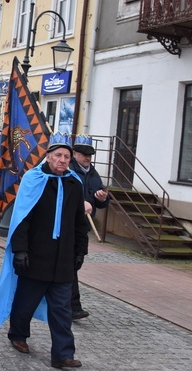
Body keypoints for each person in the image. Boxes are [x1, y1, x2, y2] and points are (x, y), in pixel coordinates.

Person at [0, 133, 88, 369]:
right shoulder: (34, 180)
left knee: (62, 310)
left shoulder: (75, 183)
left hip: (63, 258)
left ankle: (63, 354)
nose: (63, 160)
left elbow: (79, 222)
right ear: (48, 157)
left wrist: (80, 251)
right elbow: (23, 218)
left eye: (66, 156)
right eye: (58, 156)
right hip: (35, 255)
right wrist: (20, 251)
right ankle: (18, 334)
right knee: (26, 301)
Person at [69, 135, 109, 320]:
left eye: (90, 156)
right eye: (84, 155)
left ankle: (67, 303)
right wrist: (79, 203)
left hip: (83, 227)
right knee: (69, 266)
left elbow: (100, 201)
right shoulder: (68, 170)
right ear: (74, 154)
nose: (87, 158)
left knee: (75, 263)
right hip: (66, 225)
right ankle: (73, 307)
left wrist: (102, 198)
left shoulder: (93, 174)